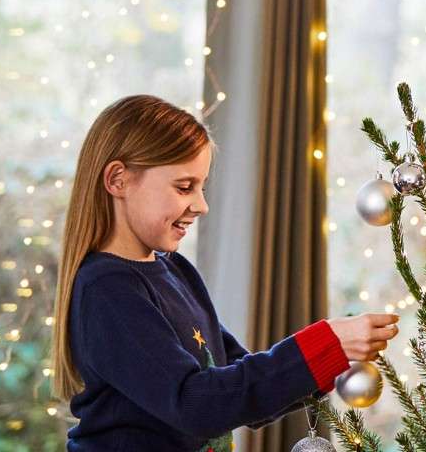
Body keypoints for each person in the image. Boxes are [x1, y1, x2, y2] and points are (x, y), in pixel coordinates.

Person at [51, 95, 401, 451]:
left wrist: (330, 355)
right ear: (118, 180)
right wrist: (322, 344)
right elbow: (197, 405)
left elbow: (236, 389)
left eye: (201, 187)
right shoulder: (106, 290)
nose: (201, 205)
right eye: (184, 187)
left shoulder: (175, 271)